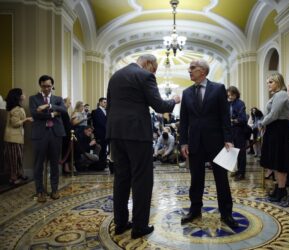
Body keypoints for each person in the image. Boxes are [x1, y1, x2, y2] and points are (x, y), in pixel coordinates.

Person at [106, 54, 180, 239]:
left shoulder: (116, 76)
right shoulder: (144, 76)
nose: (153, 72)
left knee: (121, 178)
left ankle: (121, 223)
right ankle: (139, 226)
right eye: (154, 69)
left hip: (116, 132)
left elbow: (110, 106)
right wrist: (175, 100)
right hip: (137, 134)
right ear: (148, 64)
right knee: (142, 179)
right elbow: (159, 105)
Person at [179, 59, 238, 229]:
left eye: (192, 68)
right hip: (195, 142)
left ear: (203, 71)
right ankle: (195, 210)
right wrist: (183, 142)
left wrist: (228, 139)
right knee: (196, 179)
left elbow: (224, 116)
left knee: (221, 179)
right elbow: (184, 121)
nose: (189, 71)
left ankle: (226, 213)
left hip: (216, 142)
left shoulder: (218, 88)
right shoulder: (187, 92)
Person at [29, 75, 66, 202]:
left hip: (55, 134)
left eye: (49, 86)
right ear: (40, 85)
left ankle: (54, 190)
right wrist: (53, 114)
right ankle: (40, 191)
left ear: (52, 86)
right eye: (44, 86)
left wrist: (47, 106)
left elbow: (64, 110)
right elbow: (34, 113)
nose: (46, 88)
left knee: (55, 163)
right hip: (40, 134)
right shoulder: (33, 98)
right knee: (38, 164)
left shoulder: (58, 99)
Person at [259, 73, 289, 202]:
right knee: (275, 161)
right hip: (274, 129)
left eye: (271, 82)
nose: (268, 84)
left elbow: (274, 114)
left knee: (280, 161)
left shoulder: (281, 94)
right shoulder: (277, 95)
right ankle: (279, 189)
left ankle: (282, 190)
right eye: (267, 82)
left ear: (278, 82)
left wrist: (261, 123)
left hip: (279, 129)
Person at [4, 88, 33, 184]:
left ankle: (19, 174)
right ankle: (13, 177)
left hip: (16, 137)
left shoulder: (17, 108)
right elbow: (15, 124)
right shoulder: (16, 109)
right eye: (22, 93)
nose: (24, 94)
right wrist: (27, 119)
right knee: (14, 158)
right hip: (13, 137)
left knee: (18, 157)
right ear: (19, 96)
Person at [227, 86, 247, 181]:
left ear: (236, 94)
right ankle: (236, 170)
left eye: (232, 95)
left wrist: (233, 120)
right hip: (230, 131)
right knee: (233, 152)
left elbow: (243, 119)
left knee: (241, 152)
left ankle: (241, 173)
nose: (230, 97)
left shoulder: (240, 103)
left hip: (239, 131)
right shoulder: (228, 104)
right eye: (229, 95)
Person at [91, 97, 108, 167]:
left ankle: (103, 164)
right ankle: (99, 165)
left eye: (106, 102)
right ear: (100, 103)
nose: (106, 103)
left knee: (104, 150)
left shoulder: (107, 111)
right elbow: (98, 123)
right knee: (100, 150)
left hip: (106, 133)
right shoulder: (95, 111)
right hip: (100, 133)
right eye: (104, 102)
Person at [61, 97, 73, 175]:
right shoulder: (63, 111)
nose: (70, 104)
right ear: (64, 102)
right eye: (69, 102)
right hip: (65, 134)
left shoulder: (65, 111)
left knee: (67, 150)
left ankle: (68, 166)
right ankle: (65, 167)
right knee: (65, 150)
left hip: (67, 133)